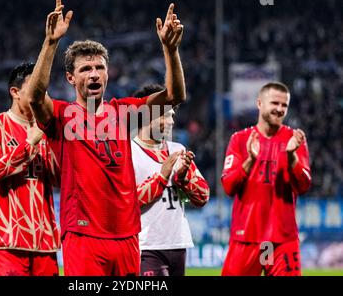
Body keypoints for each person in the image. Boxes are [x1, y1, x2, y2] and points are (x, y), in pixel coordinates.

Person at [27, 0, 186, 275]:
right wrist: (51, 43)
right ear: (70, 78)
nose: (94, 74)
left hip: (127, 235)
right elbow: (35, 96)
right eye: (85, 69)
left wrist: (171, 50)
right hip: (83, 235)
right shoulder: (62, 116)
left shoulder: (124, 112)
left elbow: (174, 96)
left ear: (108, 73)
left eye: (99, 67)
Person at [0, 63, 61, 276]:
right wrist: (29, 144)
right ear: (15, 92)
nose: (41, 93)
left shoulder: (49, 131)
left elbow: (59, 179)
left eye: (44, 88)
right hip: (7, 239)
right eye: (34, 86)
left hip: (45, 240)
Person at [221, 81, 312, 276]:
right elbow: (228, 186)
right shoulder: (239, 140)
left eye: (284, 105)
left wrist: (292, 156)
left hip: (282, 240)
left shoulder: (294, 140)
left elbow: (304, 186)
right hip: (246, 237)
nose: (280, 109)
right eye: (275, 103)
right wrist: (250, 161)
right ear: (259, 103)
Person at [131, 84, 210, 276]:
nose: (172, 121)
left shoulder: (178, 149)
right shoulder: (128, 153)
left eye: (172, 115)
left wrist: (183, 179)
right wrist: (162, 175)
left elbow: (203, 197)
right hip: (146, 246)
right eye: (166, 115)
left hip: (178, 243)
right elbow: (127, 202)